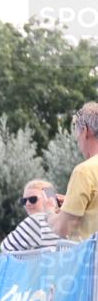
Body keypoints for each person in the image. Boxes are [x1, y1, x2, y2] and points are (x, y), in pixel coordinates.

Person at [51, 102, 98, 241]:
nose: (79, 144)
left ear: (85, 131)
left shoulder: (84, 172)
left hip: (91, 261)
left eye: (77, 136)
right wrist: (70, 202)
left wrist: (48, 210)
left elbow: (63, 230)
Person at [0, 180, 62, 252]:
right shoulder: (67, 220)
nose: (27, 204)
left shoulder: (36, 221)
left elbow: (5, 247)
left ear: (48, 199)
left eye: (33, 199)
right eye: (24, 201)